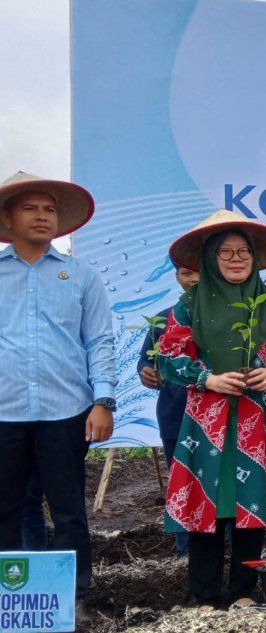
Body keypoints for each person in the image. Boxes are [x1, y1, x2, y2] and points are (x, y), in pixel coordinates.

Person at [159, 210, 266, 609]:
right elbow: (168, 357)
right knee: (205, 497)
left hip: (257, 420)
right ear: (210, 258)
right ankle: (205, 593)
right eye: (225, 252)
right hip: (206, 419)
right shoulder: (188, 306)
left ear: (255, 258)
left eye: (243, 251)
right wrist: (207, 378)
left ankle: (244, 590)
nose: (236, 259)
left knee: (250, 497)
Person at [0, 172, 113, 609]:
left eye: (49, 209)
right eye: (30, 208)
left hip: (66, 411)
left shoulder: (81, 275)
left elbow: (99, 341)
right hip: (5, 412)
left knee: (68, 511)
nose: (42, 216)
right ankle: (14, 599)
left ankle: (73, 597)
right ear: (9, 218)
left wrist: (102, 401)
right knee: (6, 509)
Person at [138, 261, 201, 554]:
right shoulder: (163, 321)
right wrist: (146, 371)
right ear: (176, 277)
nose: (193, 279)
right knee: (181, 484)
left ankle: (223, 546)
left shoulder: (230, 318)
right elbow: (145, 361)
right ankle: (184, 551)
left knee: (221, 486)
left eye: (198, 271)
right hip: (175, 416)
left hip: (221, 418)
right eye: (185, 273)